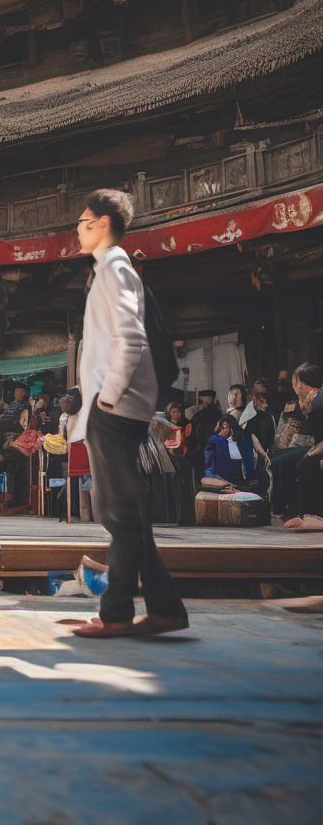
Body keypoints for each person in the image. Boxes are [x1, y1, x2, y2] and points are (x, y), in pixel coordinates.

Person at [69, 189, 188, 637]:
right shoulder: (110, 268)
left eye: (83, 221)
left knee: (118, 513)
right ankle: (165, 609)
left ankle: (115, 613)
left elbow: (131, 338)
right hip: (119, 405)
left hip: (115, 407)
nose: (78, 229)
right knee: (128, 513)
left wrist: (107, 396)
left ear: (101, 223)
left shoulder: (114, 268)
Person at [273, 363, 323, 525]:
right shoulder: (313, 400)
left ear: (301, 383)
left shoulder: (317, 403)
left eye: (296, 382)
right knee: (279, 458)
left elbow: (310, 434)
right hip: (313, 444)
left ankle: (300, 511)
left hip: (313, 445)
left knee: (293, 462)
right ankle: (284, 507)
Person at [203, 415, 256, 488]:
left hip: (241, 480)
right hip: (222, 479)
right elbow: (209, 464)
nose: (220, 431)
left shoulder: (242, 439)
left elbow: (248, 460)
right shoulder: (215, 440)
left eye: (223, 428)